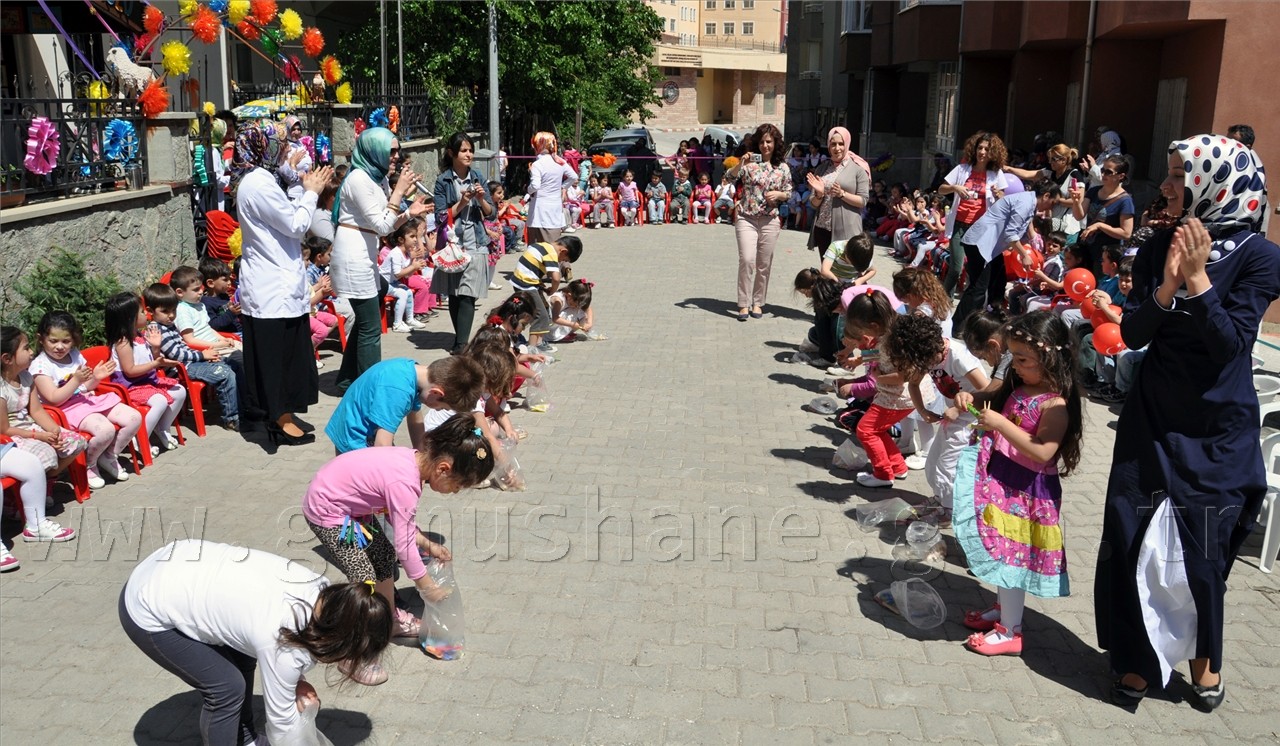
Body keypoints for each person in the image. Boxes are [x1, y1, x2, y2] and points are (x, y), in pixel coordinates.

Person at [1095, 135, 1277, 711]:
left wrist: (1199, 281)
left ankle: (1205, 658)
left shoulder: (1260, 256)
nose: (1168, 184)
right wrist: (1169, 286)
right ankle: (1136, 659)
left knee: (1204, 547)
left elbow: (1230, 347)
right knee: (1131, 533)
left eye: (1179, 175)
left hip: (1217, 429)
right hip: (1152, 417)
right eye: (1171, 173)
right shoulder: (1156, 244)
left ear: (1214, 185)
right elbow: (1132, 334)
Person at [120, 539, 393, 741]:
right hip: (147, 606)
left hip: (175, 560)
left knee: (244, 657)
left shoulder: (325, 594)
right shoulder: (284, 644)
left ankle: (245, 737)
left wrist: (293, 682)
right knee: (226, 689)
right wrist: (290, 686)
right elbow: (283, 726)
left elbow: (270, 637)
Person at [302, 414, 494, 682]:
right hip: (330, 513)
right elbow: (403, 542)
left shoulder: (412, 463)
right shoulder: (404, 482)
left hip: (351, 509)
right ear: (443, 469)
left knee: (382, 557)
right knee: (364, 582)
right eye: (459, 486)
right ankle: (350, 653)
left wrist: (427, 544)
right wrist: (426, 586)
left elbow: (399, 523)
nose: (455, 493)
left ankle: (389, 620)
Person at [951, 312, 1081, 656]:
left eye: (1022, 359)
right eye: (1014, 357)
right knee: (1001, 550)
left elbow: (1042, 451)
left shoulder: (1056, 405)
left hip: (1028, 493)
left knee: (1012, 559)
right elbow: (985, 400)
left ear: (1049, 358)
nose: (1016, 365)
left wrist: (1000, 425)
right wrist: (968, 399)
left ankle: (1011, 631)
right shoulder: (1018, 386)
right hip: (1005, 481)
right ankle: (1003, 609)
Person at [232, 122, 334, 446]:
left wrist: (293, 180)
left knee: (289, 354)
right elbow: (295, 223)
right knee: (275, 359)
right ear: (264, 148)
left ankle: (284, 413)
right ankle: (277, 418)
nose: (286, 148)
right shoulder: (258, 184)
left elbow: (286, 212)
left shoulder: (264, 180)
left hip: (279, 285)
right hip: (270, 287)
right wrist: (312, 192)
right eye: (280, 144)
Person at [331, 127, 432, 392]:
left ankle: (346, 380)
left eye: (398, 150)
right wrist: (398, 193)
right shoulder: (359, 179)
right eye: (391, 151)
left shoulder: (376, 178)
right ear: (374, 151)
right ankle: (369, 387)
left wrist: (409, 211)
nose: (396, 156)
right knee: (371, 327)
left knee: (366, 322)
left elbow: (384, 224)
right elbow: (381, 224)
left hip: (366, 251)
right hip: (354, 255)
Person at [884, 314, 990, 525]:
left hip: (971, 421)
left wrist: (959, 411)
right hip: (951, 417)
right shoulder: (927, 354)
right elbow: (913, 385)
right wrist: (922, 411)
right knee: (932, 465)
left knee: (948, 469)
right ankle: (940, 500)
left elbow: (988, 391)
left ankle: (949, 512)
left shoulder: (959, 356)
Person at [28, 311, 142, 489]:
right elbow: (53, 399)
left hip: (85, 400)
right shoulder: (40, 366)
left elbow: (85, 386)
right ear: (41, 339)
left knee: (134, 417)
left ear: (73, 340)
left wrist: (96, 377)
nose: (60, 346)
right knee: (105, 430)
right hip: (65, 410)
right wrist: (76, 380)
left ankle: (109, 455)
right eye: (53, 341)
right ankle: (90, 463)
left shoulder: (74, 355)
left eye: (66, 341)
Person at [0, 326, 84, 543]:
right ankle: (16, 500)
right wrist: (40, 438)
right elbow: (4, 429)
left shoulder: (26, 377)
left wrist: (54, 431)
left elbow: (36, 411)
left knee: (74, 442)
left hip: (32, 428)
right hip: (13, 436)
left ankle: (44, 484)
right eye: (26, 348)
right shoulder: (1, 389)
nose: (31, 352)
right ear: (7, 358)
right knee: (46, 454)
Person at [953, 181, 1060, 338]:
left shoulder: (1028, 205)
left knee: (998, 281)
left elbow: (1019, 233)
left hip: (991, 248)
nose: (1052, 207)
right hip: (980, 244)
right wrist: (1024, 255)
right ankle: (961, 326)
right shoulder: (1025, 202)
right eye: (1053, 202)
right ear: (1046, 196)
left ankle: (992, 320)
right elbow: (1011, 234)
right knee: (978, 288)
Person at [324, 356, 485, 454]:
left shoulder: (415, 375)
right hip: (355, 439)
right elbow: (381, 447)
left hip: (368, 433)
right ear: (436, 393)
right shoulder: (398, 389)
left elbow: (415, 418)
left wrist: (421, 454)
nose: (438, 410)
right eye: (442, 407)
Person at [843, 290, 917, 488]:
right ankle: (898, 466)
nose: (862, 339)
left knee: (865, 430)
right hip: (903, 396)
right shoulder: (890, 332)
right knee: (878, 429)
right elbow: (878, 354)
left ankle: (883, 474)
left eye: (862, 333)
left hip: (898, 396)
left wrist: (878, 378)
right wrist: (859, 360)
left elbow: (902, 376)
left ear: (874, 326)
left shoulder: (893, 340)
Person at [148, 283, 242, 433]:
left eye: (173, 310)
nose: (171, 315)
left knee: (233, 364)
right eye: (165, 311)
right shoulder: (156, 329)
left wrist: (204, 357)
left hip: (192, 362)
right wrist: (202, 355)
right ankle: (231, 418)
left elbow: (184, 346)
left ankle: (239, 407)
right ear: (150, 311)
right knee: (224, 373)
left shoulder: (168, 324)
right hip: (183, 368)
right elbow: (176, 355)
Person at [433, 132, 496, 353]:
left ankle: (462, 344)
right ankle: (460, 338)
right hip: (453, 244)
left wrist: (480, 199)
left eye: (471, 150)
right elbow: (440, 216)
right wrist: (462, 202)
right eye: (464, 150)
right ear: (452, 153)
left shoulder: (478, 175)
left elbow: (491, 214)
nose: (469, 154)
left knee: (468, 294)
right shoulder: (443, 181)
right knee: (454, 294)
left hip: (476, 243)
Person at [103, 292, 186, 455]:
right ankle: (140, 438)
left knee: (180, 391)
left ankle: (162, 428)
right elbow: (130, 371)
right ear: (130, 318)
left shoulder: (140, 336)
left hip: (148, 382)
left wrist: (156, 348)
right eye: (141, 312)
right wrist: (155, 364)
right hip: (131, 387)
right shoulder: (123, 342)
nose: (146, 314)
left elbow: (151, 360)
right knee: (160, 401)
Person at [730, 123, 793, 322]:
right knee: (747, 260)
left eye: (769, 142)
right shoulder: (748, 164)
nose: (765, 145)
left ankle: (758, 302)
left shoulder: (782, 167)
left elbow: (790, 192)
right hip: (746, 218)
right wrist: (741, 163)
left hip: (770, 220)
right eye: (762, 142)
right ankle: (743, 303)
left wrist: (780, 194)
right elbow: (728, 178)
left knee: (764, 264)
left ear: (775, 144)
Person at [939, 131, 1012, 296]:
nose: (982, 152)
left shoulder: (996, 174)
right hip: (959, 224)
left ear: (992, 153)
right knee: (956, 268)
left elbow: (1004, 201)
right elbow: (941, 189)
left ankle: (971, 302)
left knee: (975, 269)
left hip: (980, 229)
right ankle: (943, 302)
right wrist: (955, 187)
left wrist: (998, 194)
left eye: (987, 149)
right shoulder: (962, 169)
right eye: (980, 148)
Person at [509, 236, 585, 352]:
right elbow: (556, 278)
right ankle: (532, 348)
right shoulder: (551, 253)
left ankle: (537, 341)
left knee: (544, 309)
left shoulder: (542, 245)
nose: (561, 262)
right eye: (564, 259)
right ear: (563, 251)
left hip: (524, 281)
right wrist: (553, 290)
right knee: (541, 316)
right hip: (526, 285)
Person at [806, 126, 871, 257]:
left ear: (847, 144)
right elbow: (813, 204)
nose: (837, 148)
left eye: (841, 144)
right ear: (829, 146)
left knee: (846, 272)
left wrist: (842, 194)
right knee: (827, 272)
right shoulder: (822, 168)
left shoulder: (858, 169)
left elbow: (863, 201)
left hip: (846, 230)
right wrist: (819, 194)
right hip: (822, 228)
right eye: (833, 144)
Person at [1005, 143, 1086, 239]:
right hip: (1050, 225)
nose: (1050, 162)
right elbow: (1027, 174)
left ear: (1064, 160)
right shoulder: (1049, 172)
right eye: (1050, 159)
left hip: (1068, 227)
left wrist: (1057, 201)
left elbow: (1078, 201)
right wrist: (1008, 168)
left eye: (1053, 159)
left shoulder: (1075, 175)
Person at [1071, 154, 1135, 274]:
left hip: (1106, 257)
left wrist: (1100, 226)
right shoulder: (1094, 191)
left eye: (1109, 172)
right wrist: (1075, 201)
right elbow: (1079, 216)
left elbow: (1126, 233)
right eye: (1102, 170)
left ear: (1121, 176)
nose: (1104, 174)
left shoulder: (1125, 201)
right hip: (1087, 250)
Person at [525, 131, 577, 244]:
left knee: (537, 248)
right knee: (554, 247)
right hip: (555, 208)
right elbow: (574, 176)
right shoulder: (560, 161)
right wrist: (563, 187)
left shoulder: (537, 164)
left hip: (539, 211)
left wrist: (528, 191)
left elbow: (535, 185)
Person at [379, 218, 427, 333]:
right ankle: (397, 324)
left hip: (392, 282)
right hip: (383, 283)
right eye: (412, 236)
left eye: (416, 236)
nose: (415, 239)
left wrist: (416, 264)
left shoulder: (407, 253)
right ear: (401, 239)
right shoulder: (396, 253)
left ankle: (410, 319)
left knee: (409, 292)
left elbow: (406, 276)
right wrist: (413, 267)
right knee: (402, 294)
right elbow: (397, 274)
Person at [546, 279, 598, 343]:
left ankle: (564, 332)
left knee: (580, 312)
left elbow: (588, 308)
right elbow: (555, 318)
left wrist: (589, 323)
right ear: (569, 295)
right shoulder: (558, 301)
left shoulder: (571, 299)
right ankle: (556, 335)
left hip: (556, 322)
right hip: (548, 326)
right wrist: (572, 324)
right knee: (574, 311)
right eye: (574, 304)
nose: (575, 306)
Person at [276, 115, 313, 200]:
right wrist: (293, 163)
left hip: (304, 190)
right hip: (292, 193)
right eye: (293, 129)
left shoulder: (300, 143)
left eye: (299, 129)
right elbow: (283, 167)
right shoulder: (284, 146)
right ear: (287, 130)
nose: (297, 132)